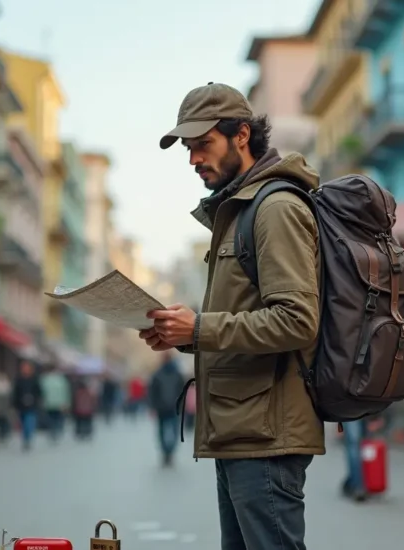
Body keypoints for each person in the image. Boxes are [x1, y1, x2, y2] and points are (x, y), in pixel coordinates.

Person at [140, 82, 324, 549]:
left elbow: (297, 319)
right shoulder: (239, 210)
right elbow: (245, 315)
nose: (192, 158)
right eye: (187, 147)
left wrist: (200, 327)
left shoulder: (275, 208)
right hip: (242, 431)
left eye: (203, 144)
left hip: (266, 436)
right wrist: (184, 333)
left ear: (242, 135)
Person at [148, 352, 186, 467]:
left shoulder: (160, 374)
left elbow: (182, 391)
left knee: (168, 431)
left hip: (167, 408)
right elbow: (152, 392)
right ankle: (167, 452)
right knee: (166, 431)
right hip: (165, 408)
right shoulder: (163, 374)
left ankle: (168, 452)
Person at [12, 360, 41, 451]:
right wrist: (14, 403)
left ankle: (28, 438)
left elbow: (39, 392)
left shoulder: (34, 379)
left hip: (32, 405)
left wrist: (37, 400)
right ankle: (25, 438)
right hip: (21, 405)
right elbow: (15, 392)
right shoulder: (19, 379)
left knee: (29, 421)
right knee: (23, 422)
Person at [39, 364, 71, 443]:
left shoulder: (45, 379)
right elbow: (66, 392)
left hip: (49, 403)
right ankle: (56, 431)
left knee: (51, 418)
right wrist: (66, 402)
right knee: (58, 418)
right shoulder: (61, 379)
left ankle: (52, 431)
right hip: (59, 403)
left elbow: (42, 392)